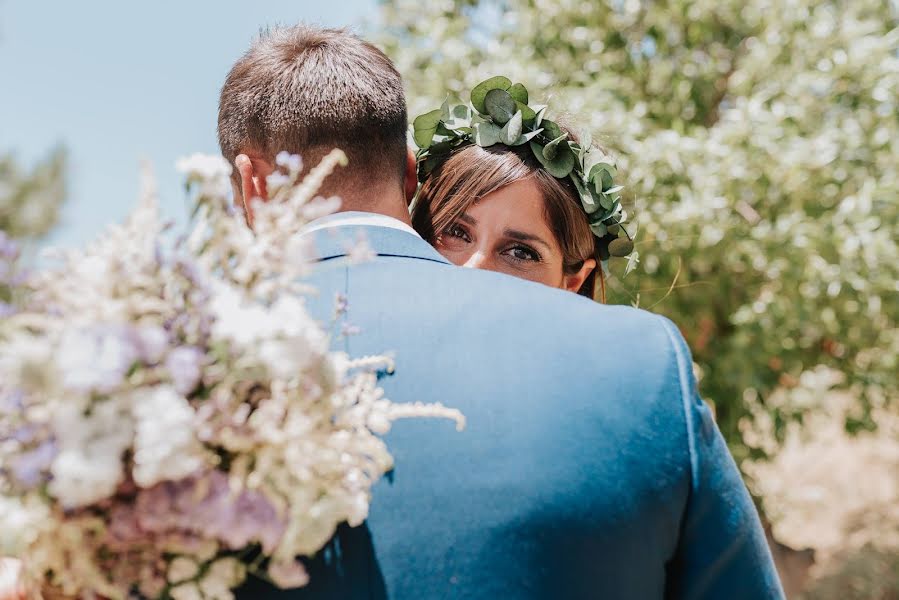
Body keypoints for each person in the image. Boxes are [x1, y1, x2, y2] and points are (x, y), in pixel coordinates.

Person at [220, 24, 784, 599]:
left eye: (520, 252)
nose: (473, 271)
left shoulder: (186, 365)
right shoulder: (644, 362)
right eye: (452, 232)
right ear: (413, 180)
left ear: (251, 187)